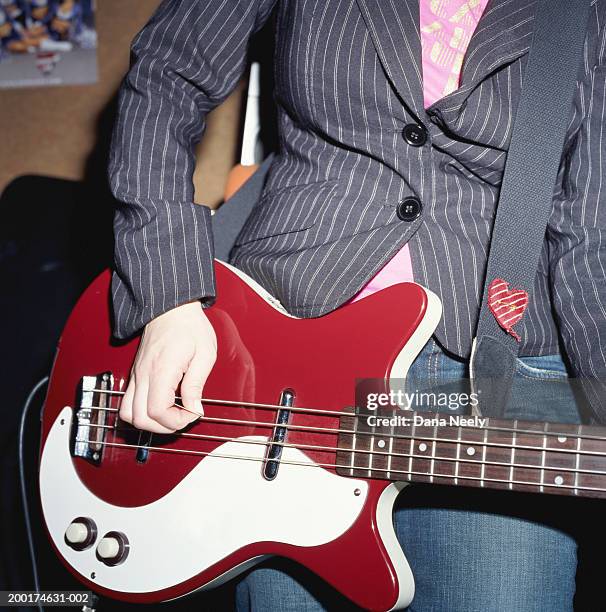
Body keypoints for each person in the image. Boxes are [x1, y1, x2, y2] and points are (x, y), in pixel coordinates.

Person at [108, 0, 606, 610]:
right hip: (285, 355)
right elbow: (166, 73)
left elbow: (591, 237)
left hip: (497, 378)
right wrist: (168, 297)